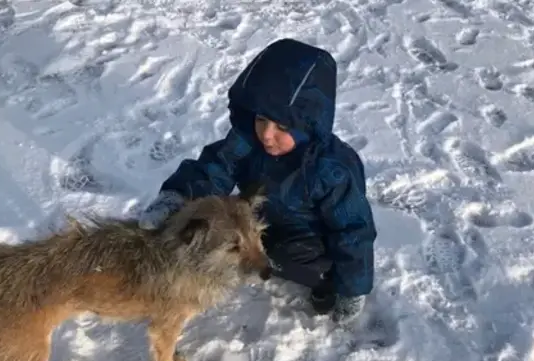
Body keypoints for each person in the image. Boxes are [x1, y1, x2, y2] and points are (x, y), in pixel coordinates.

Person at [138, 38, 377, 328]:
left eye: (282, 127)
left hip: (309, 241)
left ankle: (323, 282)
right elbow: (214, 168)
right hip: (260, 222)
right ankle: (262, 254)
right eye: (262, 119)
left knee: (293, 257)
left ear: (309, 127)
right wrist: (175, 197)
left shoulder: (331, 171)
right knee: (229, 230)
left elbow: (352, 231)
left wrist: (352, 289)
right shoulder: (248, 143)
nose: (266, 134)